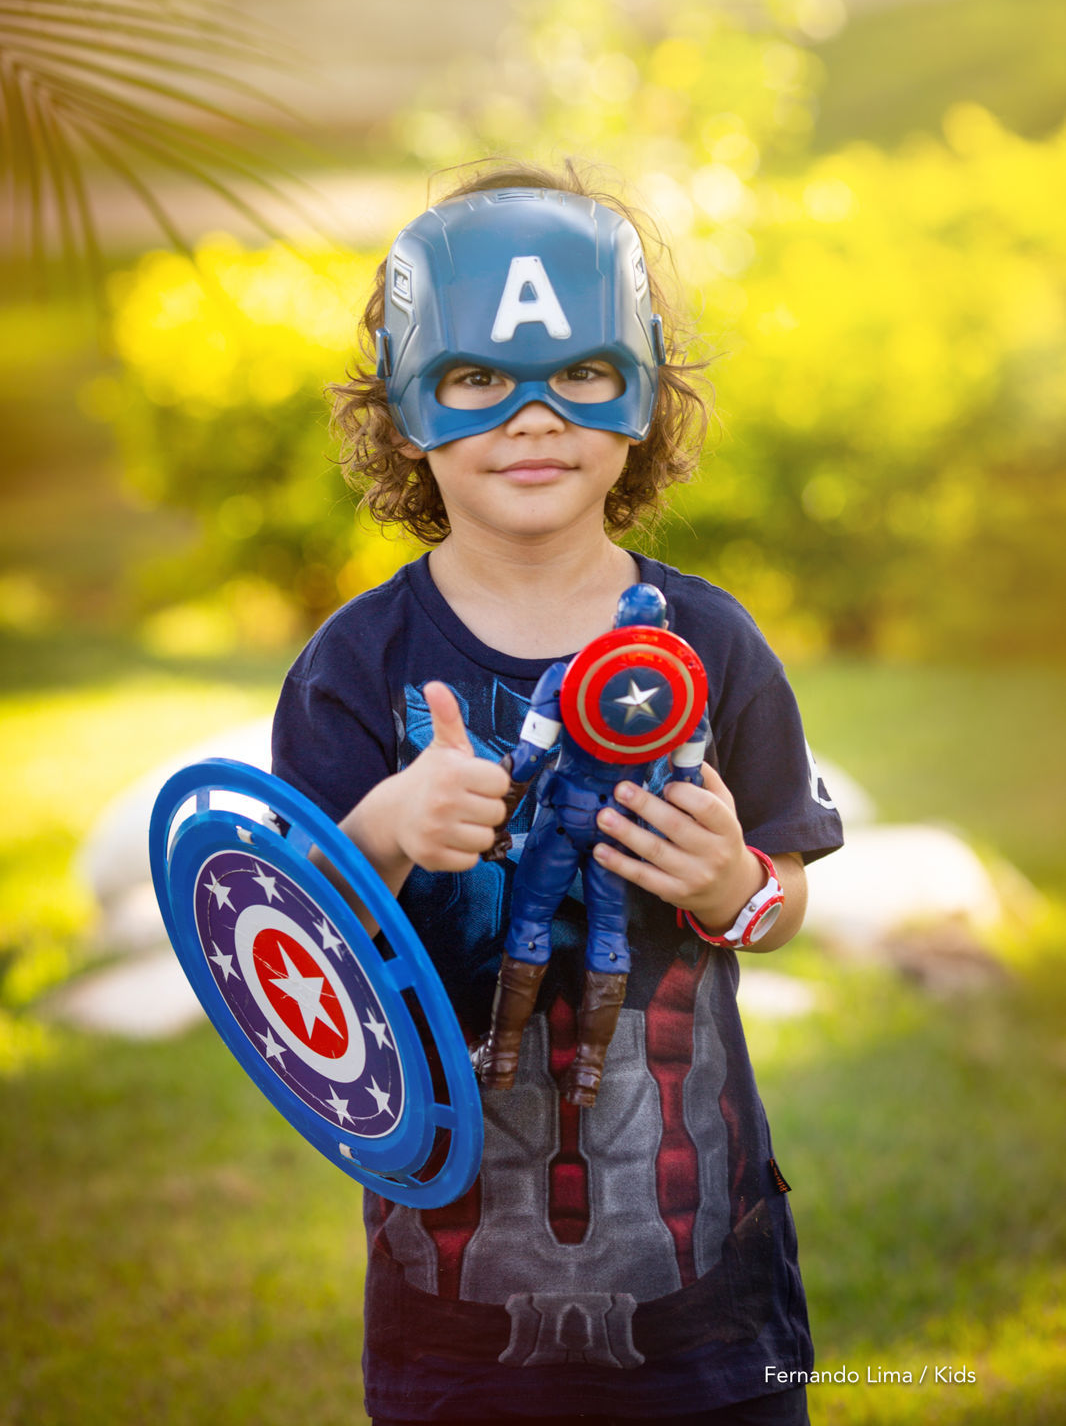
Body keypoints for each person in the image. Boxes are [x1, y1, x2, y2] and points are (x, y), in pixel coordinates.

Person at [271, 161, 844, 1426]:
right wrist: (386, 829)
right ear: (407, 408)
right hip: (448, 1295)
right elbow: (290, 941)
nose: (533, 414)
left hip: (703, 1286)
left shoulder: (710, 641)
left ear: (640, 394)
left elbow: (783, 891)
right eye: (477, 377)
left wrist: (728, 883)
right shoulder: (353, 667)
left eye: (578, 372)